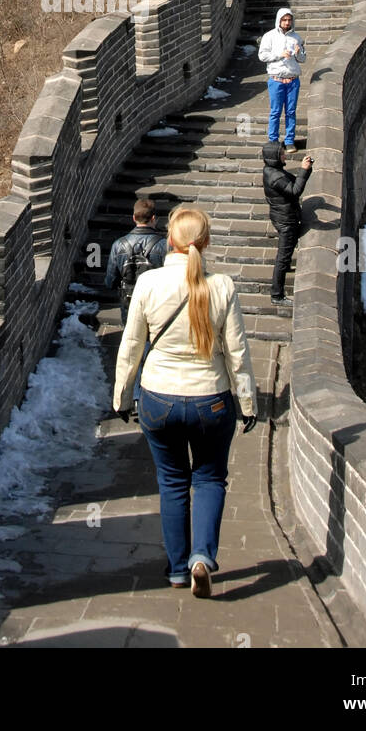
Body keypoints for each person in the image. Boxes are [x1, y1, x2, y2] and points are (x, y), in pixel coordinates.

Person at [113, 205, 258, 594]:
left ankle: (177, 569)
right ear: (205, 242)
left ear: (170, 241)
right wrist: (248, 404)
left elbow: (131, 347)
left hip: (159, 400)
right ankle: (202, 557)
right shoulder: (222, 286)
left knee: (172, 482)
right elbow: (237, 354)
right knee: (209, 479)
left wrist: (122, 398)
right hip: (211, 399)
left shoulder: (148, 284)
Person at [262, 143, 313, 304]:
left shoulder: (272, 171)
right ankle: (277, 295)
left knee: (287, 251)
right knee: (282, 258)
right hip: (285, 221)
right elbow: (295, 191)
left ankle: (285, 267)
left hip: (282, 217)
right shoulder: (275, 176)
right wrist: (304, 170)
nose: (285, 156)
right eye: (282, 154)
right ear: (275, 157)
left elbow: (291, 181)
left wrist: (304, 169)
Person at [104, 197, 167, 326]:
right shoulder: (163, 245)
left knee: (131, 338)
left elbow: (110, 281)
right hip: (154, 302)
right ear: (153, 218)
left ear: (134, 218)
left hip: (129, 301)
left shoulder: (118, 245)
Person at [258, 7, 306, 153]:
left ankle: (289, 140)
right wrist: (279, 54)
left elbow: (303, 58)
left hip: (292, 80)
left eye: (289, 20)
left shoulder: (297, 37)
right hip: (276, 80)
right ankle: (273, 140)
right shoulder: (269, 36)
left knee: (291, 111)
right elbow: (262, 56)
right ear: (279, 20)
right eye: (284, 20)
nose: (287, 23)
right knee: (276, 111)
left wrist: (298, 54)